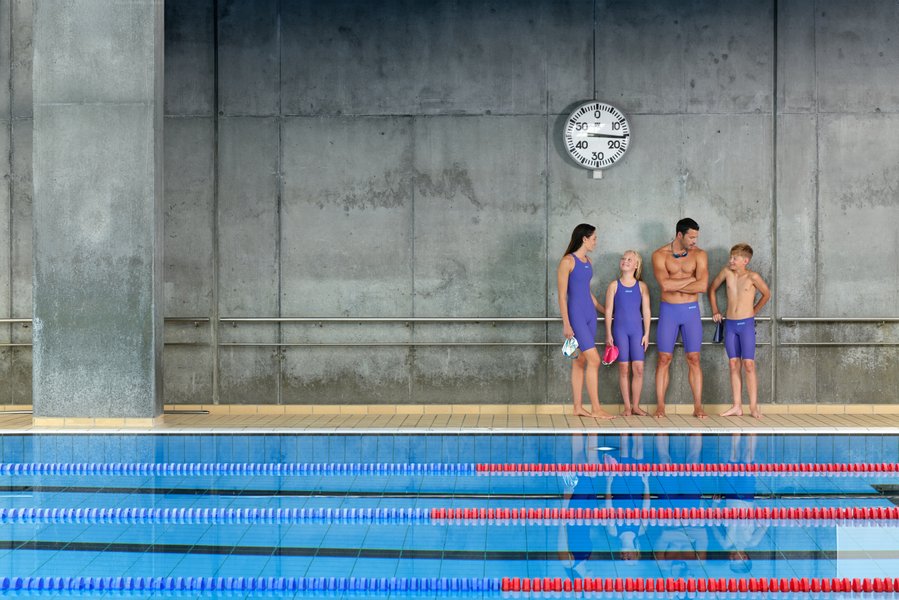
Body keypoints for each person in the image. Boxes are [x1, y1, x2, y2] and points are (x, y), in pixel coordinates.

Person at [651, 218, 709, 418]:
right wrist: (691, 279)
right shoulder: (659, 255)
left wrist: (677, 284)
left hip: (691, 311)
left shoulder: (700, 255)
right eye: (691, 237)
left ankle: (698, 406)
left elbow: (702, 286)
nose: (694, 241)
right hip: (669, 311)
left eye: (696, 237)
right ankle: (660, 406)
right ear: (679, 235)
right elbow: (665, 285)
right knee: (663, 359)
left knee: (694, 358)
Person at [557, 224, 614, 419]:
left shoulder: (588, 261)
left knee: (580, 361)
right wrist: (566, 324)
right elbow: (562, 297)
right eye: (594, 238)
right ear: (584, 238)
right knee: (594, 360)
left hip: (590, 315)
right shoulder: (567, 261)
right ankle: (596, 409)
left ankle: (578, 407)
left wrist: (604, 310)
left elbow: (586, 292)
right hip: (577, 316)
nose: (596, 242)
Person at [708, 243, 771, 418]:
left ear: (745, 261)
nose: (731, 261)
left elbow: (767, 294)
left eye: (734, 258)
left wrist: (753, 311)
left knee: (748, 365)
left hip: (746, 325)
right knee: (733, 364)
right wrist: (715, 310)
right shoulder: (726, 273)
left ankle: (753, 407)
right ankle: (737, 406)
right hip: (730, 324)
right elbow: (712, 289)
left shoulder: (753, 277)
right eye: (730, 257)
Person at [604, 251, 651, 416]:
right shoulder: (614, 286)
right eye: (623, 258)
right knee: (624, 369)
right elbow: (608, 311)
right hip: (620, 331)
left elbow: (646, 311)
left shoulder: (642, 286)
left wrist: (647, 334)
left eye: (630, 259)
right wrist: (608, 333)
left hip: (637, 332)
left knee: (638, 369)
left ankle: (636, 406)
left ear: (636, 265)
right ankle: (627, 407)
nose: (625, 261)